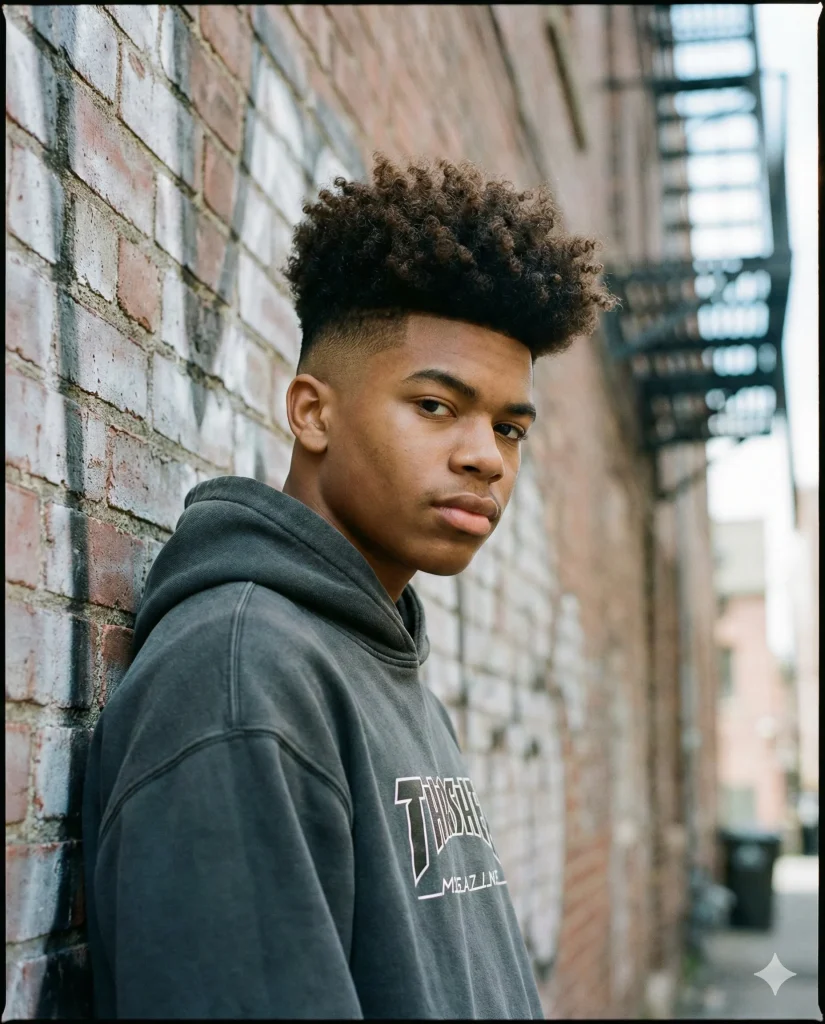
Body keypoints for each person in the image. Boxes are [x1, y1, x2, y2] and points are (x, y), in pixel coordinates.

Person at [82, 152, 614, 1019]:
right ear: (312, 413)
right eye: (436, 406)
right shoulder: (240, 680)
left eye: (509, 427)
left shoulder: (379, 658)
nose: (485, 455)